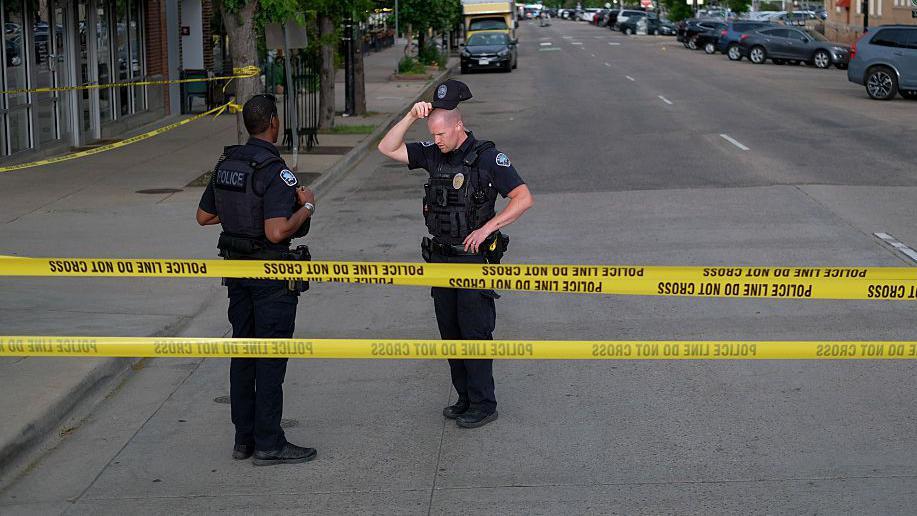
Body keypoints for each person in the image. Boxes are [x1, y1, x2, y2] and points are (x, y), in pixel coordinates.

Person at [376, 79, 534, 428]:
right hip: (440, 260)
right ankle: (464, 397)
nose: (437, 141)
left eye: (441, 134)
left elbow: (523, 198)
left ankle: (483, 403)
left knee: (474, 333)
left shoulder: (488, 158)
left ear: (459, 125)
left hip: (472, 261)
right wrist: (410, 117)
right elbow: (387, 148)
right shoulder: (433, 153)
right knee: (450, 333)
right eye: (432, 134)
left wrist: (488, 228)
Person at [196, 94, 317, 466]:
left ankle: (244, 439)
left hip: (237, 274)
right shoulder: (275, 171)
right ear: (274, 123)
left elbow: (204, 216)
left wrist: (244, 211)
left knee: (243, 354)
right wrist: (308, 205)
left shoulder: (227, 164)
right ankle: (269, 443)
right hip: (270, 278)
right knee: (269, 360)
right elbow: (277, 231)